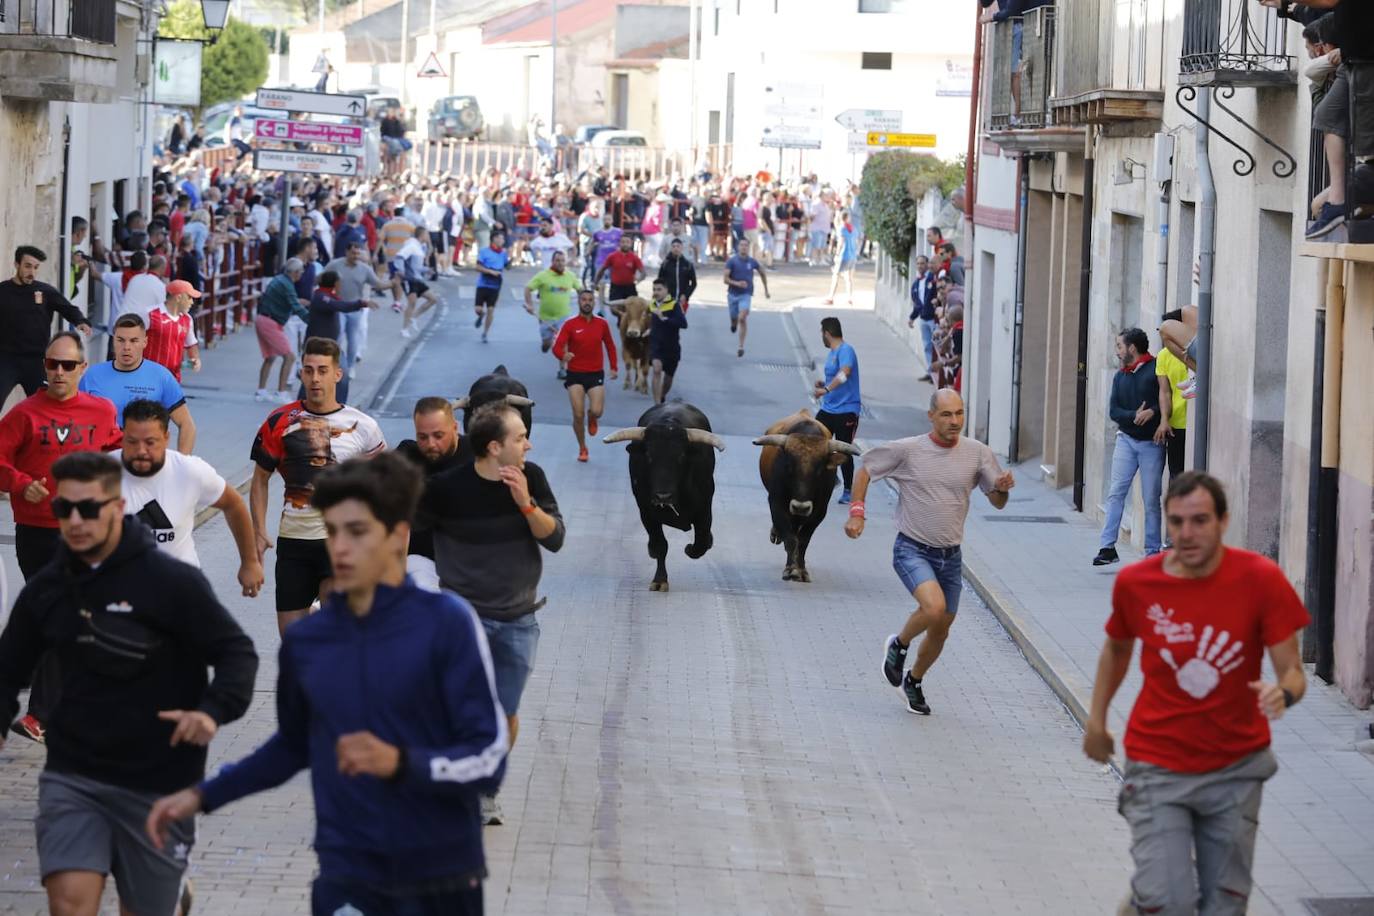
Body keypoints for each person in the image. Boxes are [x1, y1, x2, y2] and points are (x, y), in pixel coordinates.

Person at [146, 453, 507, 915]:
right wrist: (200, 796)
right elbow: (292, 745)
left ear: (398, 536)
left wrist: (400, 762)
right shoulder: (309, 641)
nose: (339, 548)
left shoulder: (448, 624)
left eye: (356, 532)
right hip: (347, 873)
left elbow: (488, 757)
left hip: (440, 874)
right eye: (332, 530)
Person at [0, 449, 256, 916]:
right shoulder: (49, 588)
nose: (75, 521)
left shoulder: (171, 582)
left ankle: (170, 894)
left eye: (89, 508)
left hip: (159, 778)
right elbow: (6, 670)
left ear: (117, 508)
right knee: (70, 905)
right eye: (65, 509)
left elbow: (237, 654)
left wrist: (212, 710)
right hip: (74, 774)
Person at [1083, 471, 1308, 916]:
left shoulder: (1260, 580)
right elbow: (1117, 648)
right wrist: (1097, 718)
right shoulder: (1138, 584)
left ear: (1223, 522)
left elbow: (1293, 673)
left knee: (1224, 906)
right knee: (1170, 902)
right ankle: (1152, 896)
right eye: (1176, 521)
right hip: (1157, 765)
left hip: (1236, 769)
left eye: (1200, 520)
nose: (1187, 533)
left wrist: (1284, 694)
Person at [425, 403, 563, 825]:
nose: (528, 444)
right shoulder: (446, 488)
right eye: (520, 437)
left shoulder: (532, 478)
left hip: (519, 617)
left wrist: (525, 503)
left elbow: (555, 539)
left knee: (504, 713)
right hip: (463, 618)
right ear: (493, 447)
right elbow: (400, 530)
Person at [846, 388, 1015, 716]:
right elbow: (865, 467)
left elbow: (996, 502)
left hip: (950, 557)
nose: (955, 422)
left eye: (960, 414)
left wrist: (1001, 489)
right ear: (931, 417)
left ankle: (915, 680)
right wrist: (856, 511)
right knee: (934, 608)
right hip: (912, 549)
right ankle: (898, 645)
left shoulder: (978, 453)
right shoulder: (909, 450)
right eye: (947, 415)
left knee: (941, 629)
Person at [0, 332, 123, 743]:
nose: (58, 372)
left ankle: (39, 713)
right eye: (52, 363)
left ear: (82, 369)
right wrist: (19, 483)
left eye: (67, 365)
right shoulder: (24, 414)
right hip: (36, 530)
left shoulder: (101, 411)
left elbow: (120, 456)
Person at [250, 337, 387, 636]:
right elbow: (260, 479)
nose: (315, 378)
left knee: (337, 637)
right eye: (308, 370)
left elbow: (386, 483)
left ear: (338, 374)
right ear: (301, 372)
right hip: (294, 543)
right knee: (293, 644)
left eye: (323, 370)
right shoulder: (279, 421)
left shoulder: (363, 426)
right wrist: (259, 531)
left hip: (339, 545)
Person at [116, 398, 263, 597]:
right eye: (132, 442)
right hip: (122, 591)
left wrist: (250, 562)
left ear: (166, 438)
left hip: (181, 588)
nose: (141, 451)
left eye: (150, 442)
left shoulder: (189, 470)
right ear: (123, 437)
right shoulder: (101, 473)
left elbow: (234, 503)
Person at [1094, 327, 1169, 566]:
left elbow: (1167, 400)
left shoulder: (1156, 369)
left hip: (1151, 445)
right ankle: (1107, 547)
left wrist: (1153, 412)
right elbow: (1114, 411)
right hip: (1126, 440)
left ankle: (1152, 552)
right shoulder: (1120, 376)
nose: (1116, 352)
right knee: (1116, 492)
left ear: (1132, 348)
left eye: (1119, 346)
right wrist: (1132, 415)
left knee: (1150, 499)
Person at [79, 314, 196, 453]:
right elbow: (75, 422)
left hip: (145, 461)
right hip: (103, 464)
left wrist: (182, 465)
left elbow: (187, 425)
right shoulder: (92, 376)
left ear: (144, 342)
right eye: (120, 340)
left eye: (134, 341)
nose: (126, 347)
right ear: (113, 340)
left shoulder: (162, 376)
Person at [1, 245, 92, 402]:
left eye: (36, 268)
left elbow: (67, 308)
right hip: (6, 359)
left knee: (46, 405)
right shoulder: (3, 291)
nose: (32, 272)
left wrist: (80, 321)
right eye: (28, 266)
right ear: (17, 264)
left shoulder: (45, 291)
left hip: (37, 360)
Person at [394, 397, 466, 591]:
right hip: (422, 562)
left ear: (455, 428)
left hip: (467, 566)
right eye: (423, 437)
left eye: (438, 435)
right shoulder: (407, 456)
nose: (431, 444)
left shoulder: (477, 457)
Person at [551, 289, 619, 462]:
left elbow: (610, 346)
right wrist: (563, 356)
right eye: (584, 300)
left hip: (595, 374)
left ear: (594, 302)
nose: (587, 302)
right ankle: (582, 448)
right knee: (577, 414)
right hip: (575, 375)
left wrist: (614, 367)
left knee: (597, 411)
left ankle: (593, 417)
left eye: (590, 299)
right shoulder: (570, 324)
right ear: (579, 302)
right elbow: (557, 346)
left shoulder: (602, 324)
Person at [304, 270, 375, 404]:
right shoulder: (321, 297)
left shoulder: (328, 296)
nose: (341, 285)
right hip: (318, 347)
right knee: (316, 379)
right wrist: (361, 303)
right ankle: (305, 407)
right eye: (339, 282)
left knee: (337, 376)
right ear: (335, 283)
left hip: (329, 346)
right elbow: (340, 306)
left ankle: (337, 405)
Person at [323, 240, 390, 377]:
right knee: (338, 337)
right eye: (353, 253)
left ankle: (350, 366)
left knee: (353, 339)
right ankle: (336, 365)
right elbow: (322, 279)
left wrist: (392, 284)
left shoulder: (365, 269)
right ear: (346, 252)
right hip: (339, 307)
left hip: (355, 309)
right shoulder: (335, 265)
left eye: (358, 253)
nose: (356, 256)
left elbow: (378, 284)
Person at [813, 317, 862, 503]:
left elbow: (845, 373)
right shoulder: (832, 353)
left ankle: (849, 490)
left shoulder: (846, 350)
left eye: (821, 333)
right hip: (829, 408)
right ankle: (832, 478)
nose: (821, 337)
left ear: (827, 333)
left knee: (843, 448)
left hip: (846, 410)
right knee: (816, 440)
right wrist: (823, 383)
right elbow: (836, 377)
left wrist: (825, 389)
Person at [254, 259, 311, 403]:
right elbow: (296, 307)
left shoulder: (280, 280)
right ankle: (281, 392)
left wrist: (297, 302)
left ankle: (261, 391)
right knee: (289, 357)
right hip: (271, 322)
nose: (302, 274)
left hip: (264, 319)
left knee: (270, 357)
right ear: (295, 272)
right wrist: (311, 321)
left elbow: (290, 301)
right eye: (301, 272)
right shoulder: (287, 284)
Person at [524, 249, 581, 361]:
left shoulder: (570, 276)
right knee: (547, 343)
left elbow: (581, 291)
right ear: (552, 261)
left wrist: (584, 306)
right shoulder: (543, 276)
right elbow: (528, 288)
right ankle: (546, 344)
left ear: (566, 262)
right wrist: (529, 305)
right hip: (546, 317)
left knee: (563, 343)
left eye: (562, 260)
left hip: (563, 317)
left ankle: (562, 369)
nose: (560, 263)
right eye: (557, 260)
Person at [1155, 311, 1190, 482]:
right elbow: (1164, 390)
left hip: (1195, 422)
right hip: (1176, 423)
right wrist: (1164, 419)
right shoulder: (1163, 355)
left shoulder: (1193, 350)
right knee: (1176, 474)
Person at [146, 279, 202, 382]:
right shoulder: (149, 314)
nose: (192, 302)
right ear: (179, 297)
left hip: (173, 379)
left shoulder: (187, 319)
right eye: (189, 297)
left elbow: (191, 343)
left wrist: (195, 359)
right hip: (148, 377)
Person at [723, 239, 770, 358]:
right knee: (735, 318)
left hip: (746, 294)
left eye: (746, 245)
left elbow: (762, 273)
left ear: (748, 248)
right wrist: (737, 283)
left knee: (742, 318)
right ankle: (733, 323)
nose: (744, 247)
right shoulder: (732, 261)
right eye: (742, 245)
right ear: (738, 247)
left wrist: (766, 290)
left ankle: (741, 346)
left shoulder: (752, 262)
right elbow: (725, 279)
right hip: (733, 294)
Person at [392, 225, 440, 339]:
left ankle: (414, 317)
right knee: (412, 303)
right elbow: (399, 257)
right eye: (427, 234)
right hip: (409, 279)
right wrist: (401, 270)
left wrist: (427, 270)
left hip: (417, 279)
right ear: (422, 235)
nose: (428, 236)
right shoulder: (412, 246)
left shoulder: (420, 247)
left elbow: (416, 266)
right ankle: (404, 329)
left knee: (433, 299)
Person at [647, 278, 688, 404]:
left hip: (671, 347)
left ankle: (662, 395)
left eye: (659, 289)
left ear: (666, 290)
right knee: (656, 369)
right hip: (656, 345)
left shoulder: (674, 305)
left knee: (668, 379)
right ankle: (657, 404)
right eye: (654, 289)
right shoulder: (652, 304)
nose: (656, 292)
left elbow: (683, 324)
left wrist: (664, 318)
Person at [474, 230, 511, 343]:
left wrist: (510, 261)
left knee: (491, 309)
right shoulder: (484, 251)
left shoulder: (503, 253)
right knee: (478, 309)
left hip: (495, 285)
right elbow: (477, 267)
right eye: (500, 238)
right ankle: (481, 315)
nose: (502, 241)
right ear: (494, 239)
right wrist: (490, 272)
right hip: (483, 283)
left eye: (503, 239)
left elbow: (507, 267)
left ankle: (485, 333)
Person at [595, 233, 645, 310]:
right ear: (619, 243)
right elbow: (602, 270)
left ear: (631, 244)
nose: (625, 244)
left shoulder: (635, 258)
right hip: (616, 288)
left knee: (633, 309)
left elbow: (643, 272)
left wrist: (639, 280)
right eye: (623, 242)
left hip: (630, 288)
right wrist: (596, 282)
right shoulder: (612, 256)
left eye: (627, 242)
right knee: (614, 309)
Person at [908, 255, 938, 381]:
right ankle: (930, 371)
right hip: (923, 319)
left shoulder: (933, 279)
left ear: (927, 264)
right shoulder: (916, 283)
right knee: (927, 346)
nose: (920, 266)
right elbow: (917, 304)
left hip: (933, 319)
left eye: (922, 263)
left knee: (936, 346)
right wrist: (912, 317)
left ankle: (937, 373)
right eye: (918, 264)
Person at [823, 210, 860, 305]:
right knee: (849, 278)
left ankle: (831, 297)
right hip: (852, 255)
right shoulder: (854, 229)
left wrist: (837, 254)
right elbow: (857, 242)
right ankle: (849, 298)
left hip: (844, 255)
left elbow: (841, 242)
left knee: (835, 275)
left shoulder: (841, 228)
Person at [657, 236, 698, 313]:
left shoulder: (688, 265)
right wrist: (662, 296)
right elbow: (659, 282)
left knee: (679, 322)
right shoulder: (665, 264)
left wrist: (686, 295)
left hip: (682, 300)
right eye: (673, 246)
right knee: (668, 322)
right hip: (667, 300)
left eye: (678, 246)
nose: (676, 248)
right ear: (671, 248)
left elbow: (693, 283)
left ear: (682, 248)